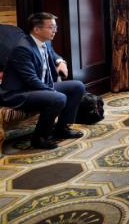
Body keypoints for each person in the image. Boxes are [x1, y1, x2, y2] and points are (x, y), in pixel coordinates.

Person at [0, 12, 85, 149]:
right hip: (19, 93)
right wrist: (52, 91)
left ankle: (62, 128)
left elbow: (52, 53)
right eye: (51, 27)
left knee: (77, 86)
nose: (55, 30)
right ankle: (39, 138)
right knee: (58, 98)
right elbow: (31, 80)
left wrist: (60, 61)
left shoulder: (45, 42)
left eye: (55, 27)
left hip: (39, 86)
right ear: (37, 29)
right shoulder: (22, 49)